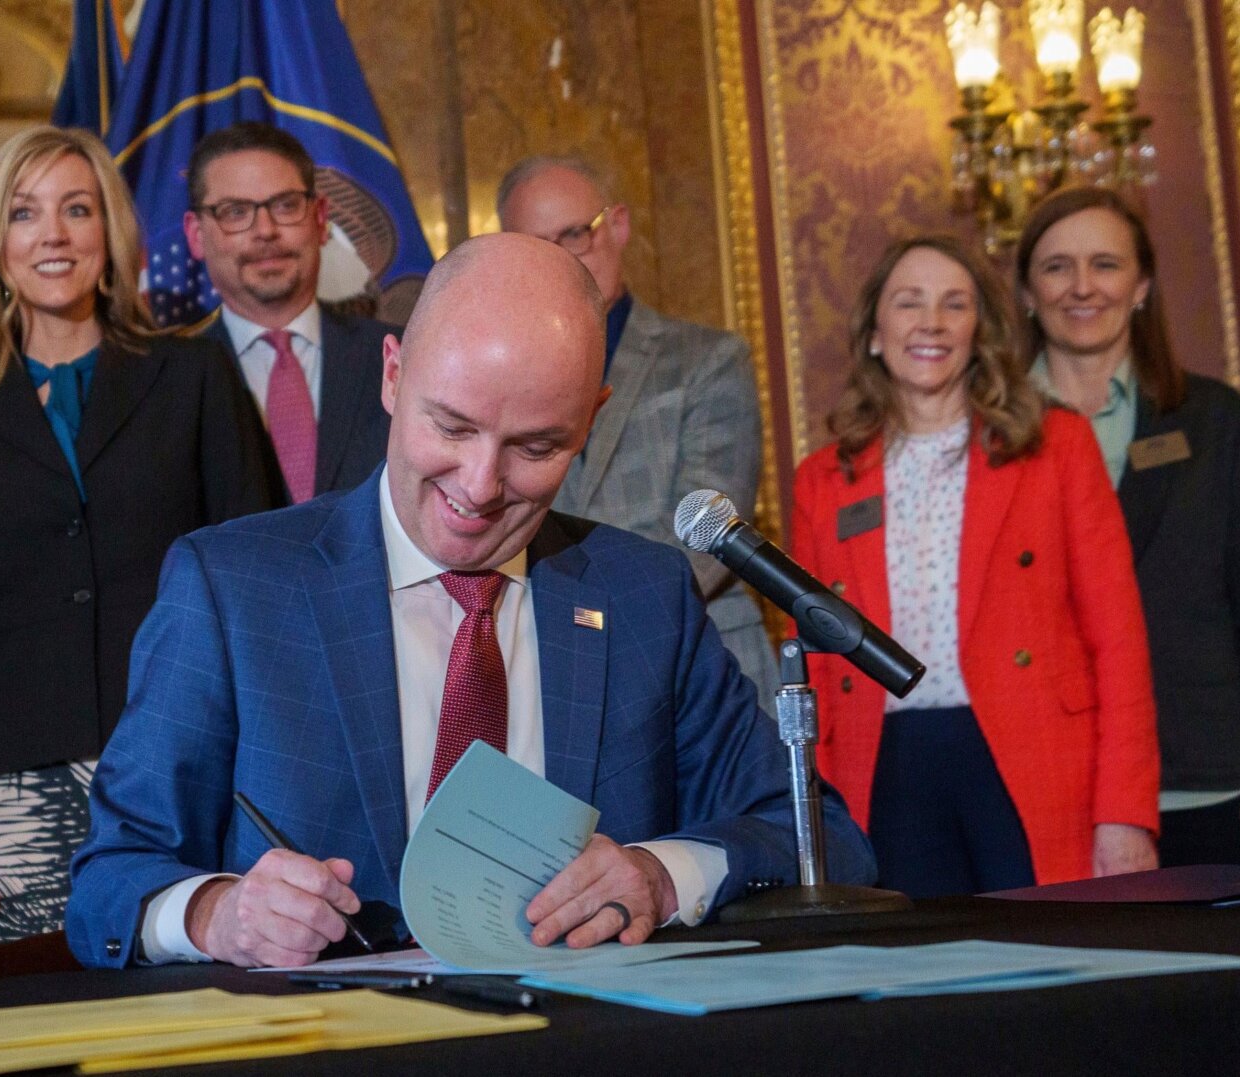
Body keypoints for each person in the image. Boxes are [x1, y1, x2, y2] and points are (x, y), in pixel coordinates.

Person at [66, 233, 874, 969]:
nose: (481, 487)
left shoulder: (643, 597)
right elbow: (110, 877)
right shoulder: (233, 588)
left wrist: (663, 876)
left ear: (591, 419)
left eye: (536, 446)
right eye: (452, 427)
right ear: (391, 376)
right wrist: (215, 912)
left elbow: (819, 837)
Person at [0, 127, 281, 943]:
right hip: (16, 790)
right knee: (37, 1027)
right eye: (26, 213)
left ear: (110, 235)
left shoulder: (195, 378)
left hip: (186, 758)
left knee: (201, 1009)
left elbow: (260, 585)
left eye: (78, 209)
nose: (55, 234)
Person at [790, 234, 1159, 897]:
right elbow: (814, 666)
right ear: (876, 332)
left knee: (1059, 974)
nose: (931, 323)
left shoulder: (1057, 447)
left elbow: (1120, 639)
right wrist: (816, 815)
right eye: (910, 303)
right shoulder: (823, 479)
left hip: (1032, 757)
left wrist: (1125, 811)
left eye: (953, 305)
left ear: (977, 331)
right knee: (918, 986)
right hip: (884, 767)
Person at [1017, 187, 1240, 868]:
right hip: (1045, 780)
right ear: (1028, 292)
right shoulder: (989, 434)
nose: (1083, 286)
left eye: (1106, 264)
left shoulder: (1211, 418)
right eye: (1057, 267)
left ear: (1143, 284)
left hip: (1205, 774)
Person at [497, 156, 778, 705]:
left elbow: (709, 536)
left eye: (574, 235)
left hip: (705, 663)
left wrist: (587, 620)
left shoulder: (708, 361)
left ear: (618, 225)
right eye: (538, 247)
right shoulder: (504, 385)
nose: (562, 262)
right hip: (559, 677)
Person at [184, 121, 394, 505]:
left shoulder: (400, 357)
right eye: (235, 211)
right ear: (196, 235)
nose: (265, 230)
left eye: (285, 206)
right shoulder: (167, 383)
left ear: (319, 218)